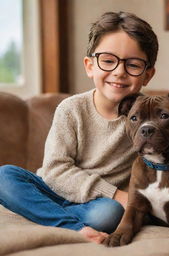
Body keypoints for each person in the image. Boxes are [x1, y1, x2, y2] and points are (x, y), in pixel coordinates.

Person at [0, 11, 158, 244]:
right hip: (53, 190)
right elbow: (55, 171)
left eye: (133, 65)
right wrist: (117, 195)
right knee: (4, 176)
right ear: (90, 66)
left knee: (109, 214)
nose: (119, 72)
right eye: (107, 61)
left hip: (96, 204)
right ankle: (75, 227)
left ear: (147, 75)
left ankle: (44, 215)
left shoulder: (147, 114)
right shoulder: (71, 109)